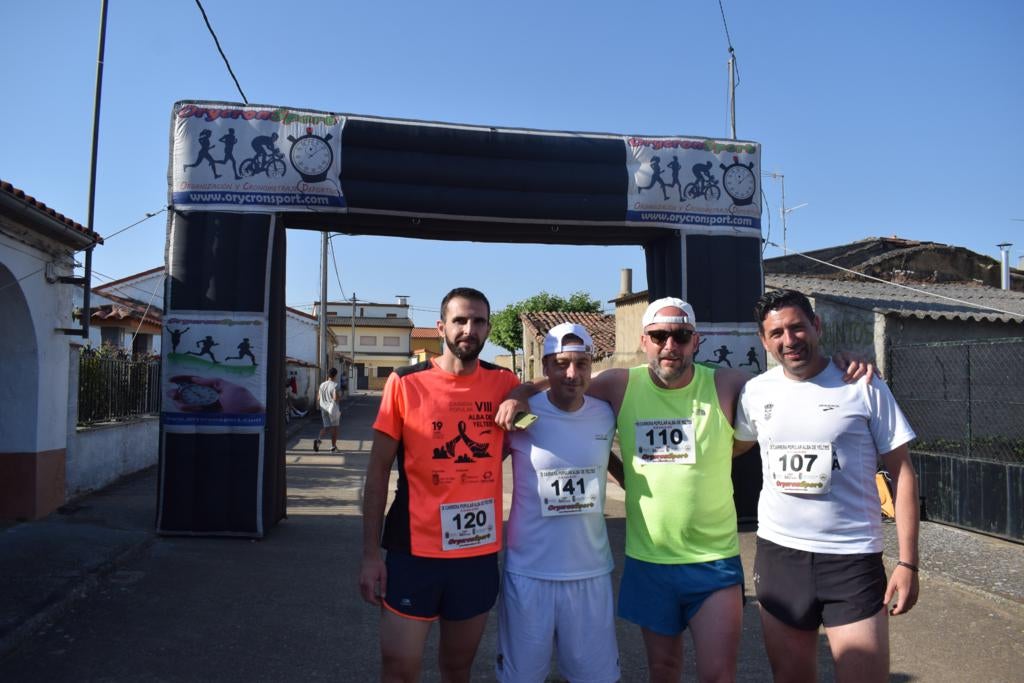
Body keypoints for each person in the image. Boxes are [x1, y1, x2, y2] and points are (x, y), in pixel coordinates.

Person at [497, 297, 873, 682]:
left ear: (696, 341)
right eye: (659, 335)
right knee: (663, 670)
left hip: (713, 559)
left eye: (680, 336)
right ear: (644, 340)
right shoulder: (619, 384)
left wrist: (837, 364)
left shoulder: (728, 384)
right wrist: (520, 392)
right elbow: (568, 379)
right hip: (648, 558)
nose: (669, 345)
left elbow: (791, 379)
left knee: (717, 675)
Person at [733, 289, 919, 683]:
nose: (789, 340)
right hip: (780, 557)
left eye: (797, 327)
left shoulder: (863, 384)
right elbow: (729, 449)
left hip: (851, 558)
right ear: (764, 341)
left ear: (816, 326)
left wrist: (908, 563)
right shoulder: (755, 392)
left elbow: (902, 472)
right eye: (776, 333)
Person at [359, 287, 519, 683]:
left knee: (458, 669)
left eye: (478, 321)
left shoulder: (504, 382)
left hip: (476, 554)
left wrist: (524, 395)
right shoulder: (405, 382)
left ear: (488, 329)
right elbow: (377, 472)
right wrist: (370, 556)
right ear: (440, 326)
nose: (469, 329)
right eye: (459, 320)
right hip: (414, 551)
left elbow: (542, 395)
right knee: (399, 667)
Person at [496, 322, 624, 683]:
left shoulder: (605, 413)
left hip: (590, 572)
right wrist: (520, 391)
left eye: (581, 364)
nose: (572, 374)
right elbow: (481, 468)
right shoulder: (521, 414)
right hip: (529, 573)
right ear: (546, 367)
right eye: (561, 364)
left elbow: (602, 457)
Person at [314, 367, 341, 453]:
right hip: (332, 409)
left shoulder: (322, 385)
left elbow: (318, 398)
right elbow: (335, 398)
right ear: (335, 375)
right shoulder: (335, 385)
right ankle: (333, 447)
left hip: (323, 408)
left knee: (326, 427)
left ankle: (318, 440)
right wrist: (339, 398)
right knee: (334, 428)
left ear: (328, 375)